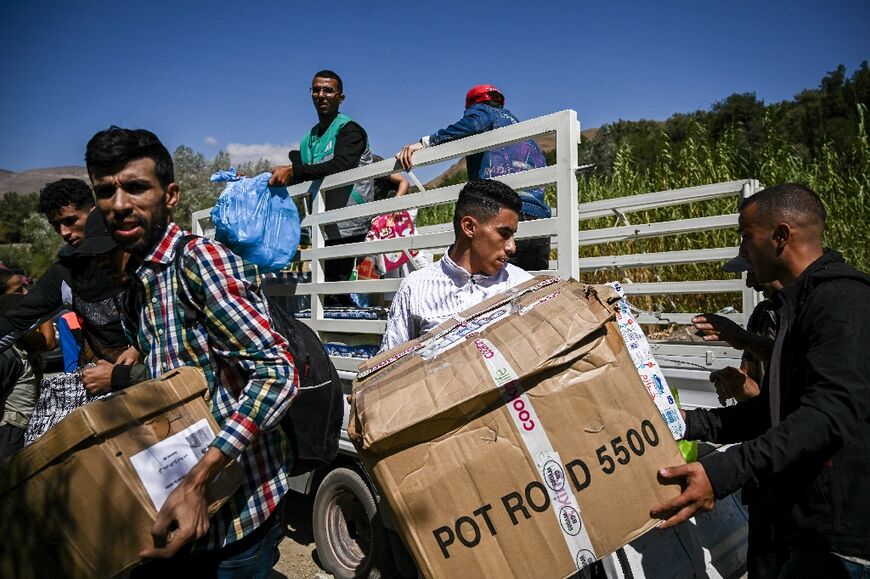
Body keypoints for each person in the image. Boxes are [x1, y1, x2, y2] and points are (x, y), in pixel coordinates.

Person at [86, 126, 297, 576]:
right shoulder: (138, 283)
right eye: (106, 191)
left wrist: (199, 478)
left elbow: (278, 375)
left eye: (136, 187)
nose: (119, 204)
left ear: (171, 195)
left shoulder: (200, 262)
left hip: (240, 516)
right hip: (184, 513)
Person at [651, 183, 870, 577]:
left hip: (832, 543)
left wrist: (723, 473)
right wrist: (686, 422)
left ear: (781, 236)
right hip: (788, 522)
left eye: (745, 238)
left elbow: (826, 415)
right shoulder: (794, 308)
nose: (741, 253)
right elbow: (774, 412)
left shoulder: (842, 302)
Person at [0, 179, 141, 395]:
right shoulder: (64, 273)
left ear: (94, 212)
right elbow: (15, 321)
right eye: (56, 225)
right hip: (104, 384)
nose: (64, 232)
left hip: (153, 373)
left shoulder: (138, 252)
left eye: (71, 220)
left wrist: (137, 350)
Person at [396, 84, 552, 271]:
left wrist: (425, 143)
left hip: (502, 215)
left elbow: (474, 123)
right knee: (536, 286)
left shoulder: (485, 112)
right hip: (539, 217)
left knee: (495, 289)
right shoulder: (526, 136)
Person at [380, 179, 533, 351]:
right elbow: (389, 364)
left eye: (512, 236)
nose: (512, 247)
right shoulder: (415, 288)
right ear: (469, 227)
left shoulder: (523, 286)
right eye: (504, 234)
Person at [269, 70, 374, 292]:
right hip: (323, 222)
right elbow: (306, 175)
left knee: (336, 287)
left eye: (328, 90)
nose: (321, 94)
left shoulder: (350, 130)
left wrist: (294, 170)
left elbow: (339, 166)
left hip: (350, 222)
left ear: (340, 97)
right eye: (316, 89)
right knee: (324, 289)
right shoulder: (308, 139)